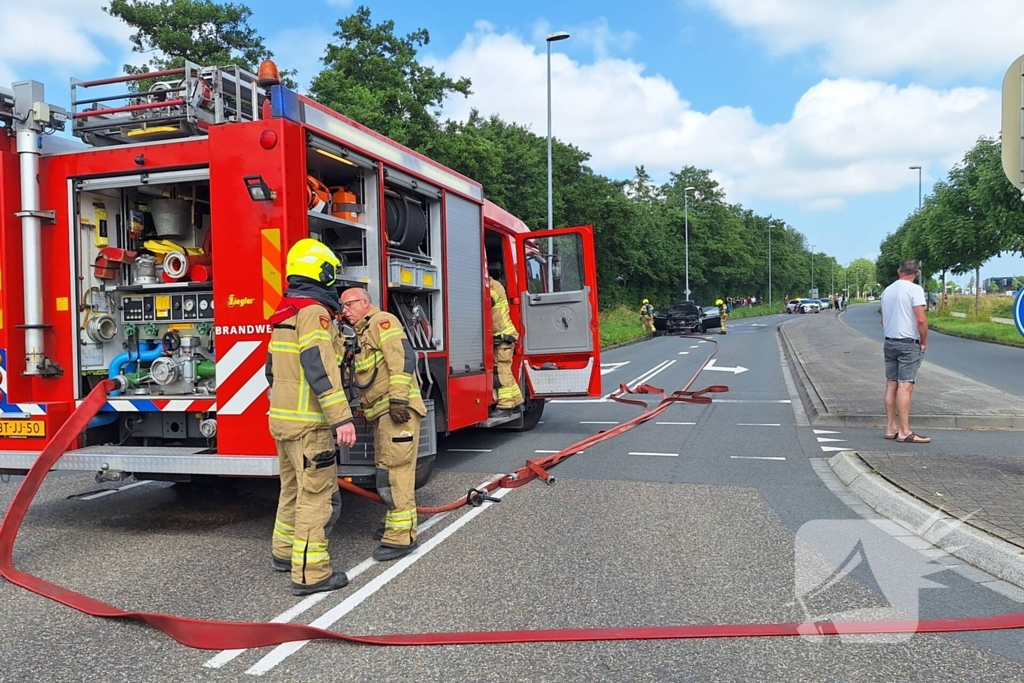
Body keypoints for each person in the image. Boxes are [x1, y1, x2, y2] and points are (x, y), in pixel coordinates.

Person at [267, 238, 357, 596]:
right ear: (322, 271)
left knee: (291, 489)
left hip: (283, 421)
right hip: (310, 425)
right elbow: (319, 367)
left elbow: (271, 370)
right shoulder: (314, 314)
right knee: (315, 496)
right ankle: (312, 572)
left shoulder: (284, 311)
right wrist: (341, 418)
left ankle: (283, 553)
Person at [341, 287, 427, 561]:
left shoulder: (382, 322)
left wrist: (398, 400)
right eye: (343, 306)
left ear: (365, 303)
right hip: (384, 415)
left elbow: (402, 358)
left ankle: (403, 537)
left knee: (396, 473)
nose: (345, 311)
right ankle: (395, 524)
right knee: (386, 472)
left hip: (397, 413)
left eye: (349, 305)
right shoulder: (363, 332)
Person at [880, 258, 930, 444]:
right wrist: (923, 341)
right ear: (916, 273)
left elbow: (883, 320)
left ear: (898, 271)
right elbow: (921, 320)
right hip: (908, 342)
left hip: (889, 341)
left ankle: (891, 427)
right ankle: (904, 431)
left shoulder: (888, 290)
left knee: (891, 384)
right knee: (905, 386)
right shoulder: (915, 290)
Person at [489, 273, 524, 411]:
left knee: (501, 370)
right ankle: (517, 401)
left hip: (503, 335)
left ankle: (505, 405)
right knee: (506, 370)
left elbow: (487, 302)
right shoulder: (493, 285)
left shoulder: (494, 286)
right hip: (502, 334)